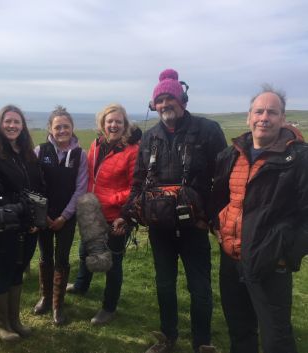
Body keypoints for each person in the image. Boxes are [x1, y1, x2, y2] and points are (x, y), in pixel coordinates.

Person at [123, 69, 226, 353]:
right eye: (160, 100)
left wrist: (211, 218)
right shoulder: (150, 137)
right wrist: (127, 212)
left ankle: (202, 342)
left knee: (200, 288)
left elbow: (224, 180)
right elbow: (139, 179)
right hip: (160, 227)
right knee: (165, 285)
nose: (165, 104)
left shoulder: (208, 131)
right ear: (153, 105)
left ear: (183, 101)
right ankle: (168, 338)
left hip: (196, 225)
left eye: (171, 98)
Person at [211, 85, 308, 353]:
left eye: (272, 112)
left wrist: (285, 251)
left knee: (276, 337)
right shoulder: (231, 155)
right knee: (240, 330)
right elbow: (219, 196)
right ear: (248, 117)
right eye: (259, 111)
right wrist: (216, 226)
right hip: (231, 259)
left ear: (283, 118)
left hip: (270, 264)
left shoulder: (298, 158)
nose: (264, 117)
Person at [67, 103, 140, 325]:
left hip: (115, 215)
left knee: (112, 263)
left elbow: (135, 187)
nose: (114, 125)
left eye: (118, 121)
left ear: (124, 124)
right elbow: (89, 176)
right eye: (110, 121)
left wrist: (109, 199)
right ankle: (81, 285)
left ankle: (109, 307)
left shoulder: (132, 151)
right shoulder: (96, 145)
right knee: (84, 252)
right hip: (92, 212)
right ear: (103, 124)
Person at [0, 105, 44, 341]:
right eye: (8, 121)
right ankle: (1, 324)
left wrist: (36, 217)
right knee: (4, 271)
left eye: (17, 122)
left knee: (18, 271)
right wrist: (20, 208)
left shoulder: (28, 154)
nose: (12, 126)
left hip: (29, 225)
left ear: (23, 126)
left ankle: (15, 320)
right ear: (0, 124)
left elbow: (38, 186)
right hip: (2, 225)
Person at [32, 106, 88, 325]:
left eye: (66, 126)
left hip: (67, 217)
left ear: (72, 128)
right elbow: (35, 185)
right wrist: (44, 215)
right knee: (45, 257)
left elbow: (81, 189)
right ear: (50, 128)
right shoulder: (40, 151)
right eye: (58, 127)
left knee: (62, 259)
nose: (62, 130)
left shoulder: (79, 155)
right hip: (43, 216)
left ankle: (57, 305)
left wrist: (64, 216)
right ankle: (45, 298)